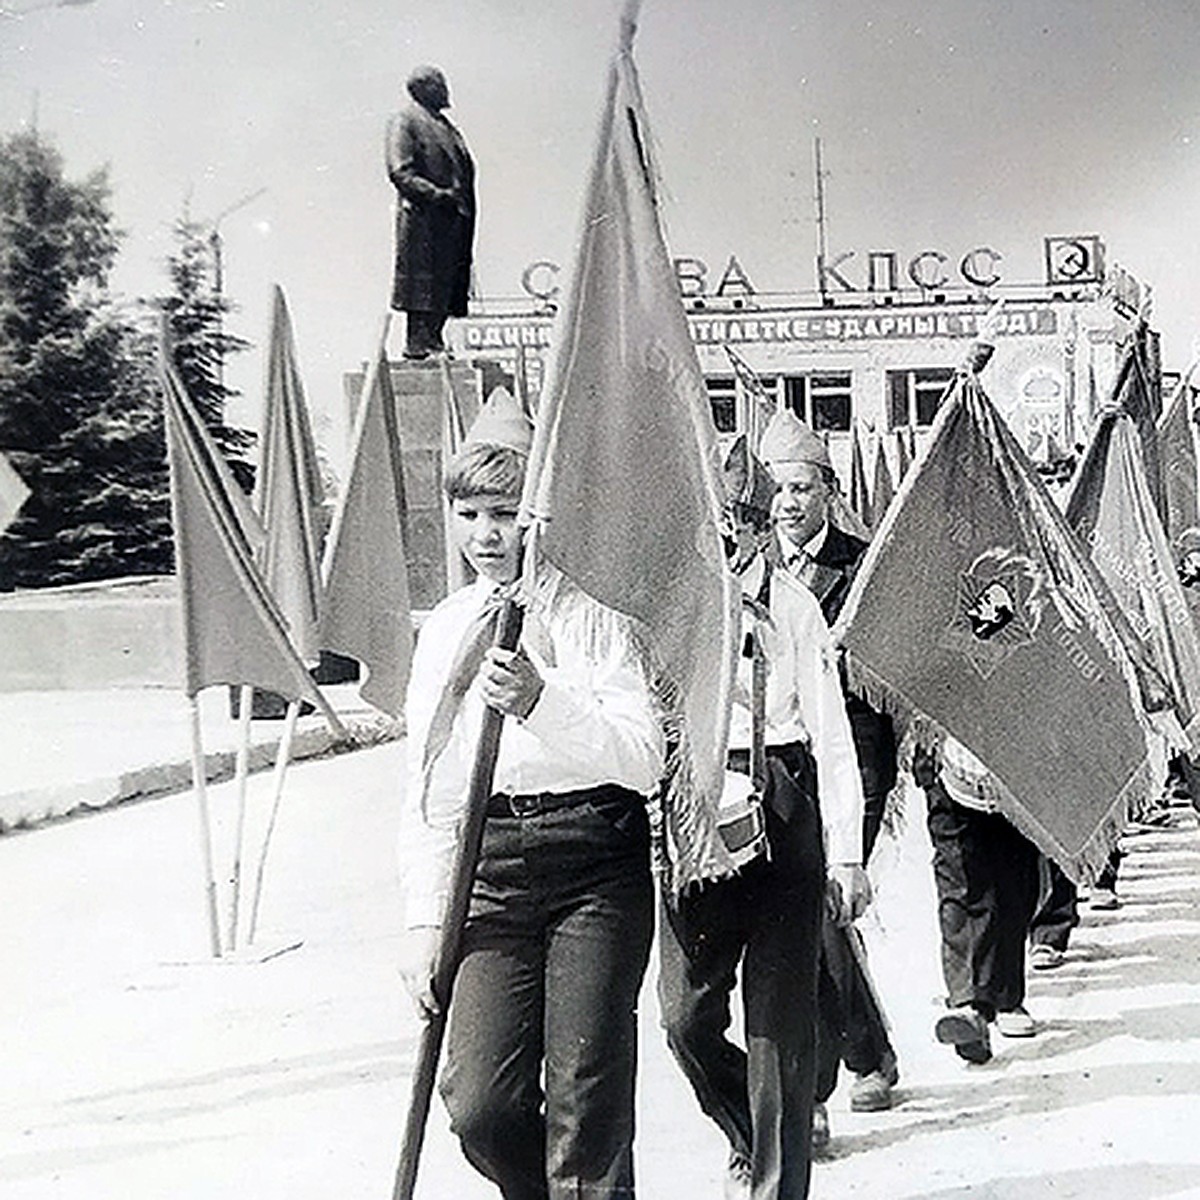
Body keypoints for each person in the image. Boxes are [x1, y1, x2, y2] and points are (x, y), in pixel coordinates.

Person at [397, 390, 666, 1199]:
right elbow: (429, 794)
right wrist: (421, 921)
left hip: (594, 864)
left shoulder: (597, 617)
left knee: (586, 1103)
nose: (487, 534)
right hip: (490, 873)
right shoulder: (446, 628)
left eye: (507, 512)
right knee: (480, 1103)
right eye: (469, 512)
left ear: (542, 516)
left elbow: (643, 759)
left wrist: (543, 702)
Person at [658, 431, 870, 1200]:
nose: (727, 541)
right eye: (710, 526)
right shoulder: (667, 609)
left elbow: (833, 733)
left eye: (739, 525)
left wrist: (847, 851)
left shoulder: (795, 606)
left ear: (756, 529)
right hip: (693, 807)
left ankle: (779, 1184)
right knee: (683, 1016)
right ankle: (749, 1131)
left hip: (779, 801)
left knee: (778, 1018)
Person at [760, 411, 901, 1132]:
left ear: (829, 492)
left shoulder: (864, 561)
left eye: (801, 488)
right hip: (779, 764)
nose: (788, 503)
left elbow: (894, 670)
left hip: (853, 761)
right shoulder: (747, 568)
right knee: (807, 919)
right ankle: (863, 1053)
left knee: (819, 907)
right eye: (777, 489)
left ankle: (812, 1093)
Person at [915, 739, 1042, 1063]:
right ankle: (968, 1003)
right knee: (959, 878)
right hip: (945, 758)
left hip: (1020, 756)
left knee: (1014, 877)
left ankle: (1006, 996)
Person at [386, 65, 476, 360]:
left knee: (446, 282)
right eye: (440, 85)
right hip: (425, 218)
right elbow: (401, 171)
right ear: (424, 88)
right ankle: (418, 343)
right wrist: (438, 196)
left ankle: (434, 340)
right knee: (422, 283)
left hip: (452, 220)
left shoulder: (446, 126)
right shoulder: (406, 121)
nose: (445, 91)